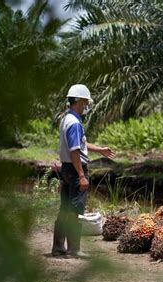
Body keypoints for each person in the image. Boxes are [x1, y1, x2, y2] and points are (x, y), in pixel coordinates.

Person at [51, 84, 115, 258]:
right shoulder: (75, 123)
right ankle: (73, 249)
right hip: (75, 170)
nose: (87, 106)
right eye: (86, 102)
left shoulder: (67, 119)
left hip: (66, 168)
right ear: (79, 101)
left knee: (64, 208)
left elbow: (81, 145)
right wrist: (81, 175)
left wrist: (99, 149)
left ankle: (57, 248)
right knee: (74, 210)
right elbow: (74, 151)